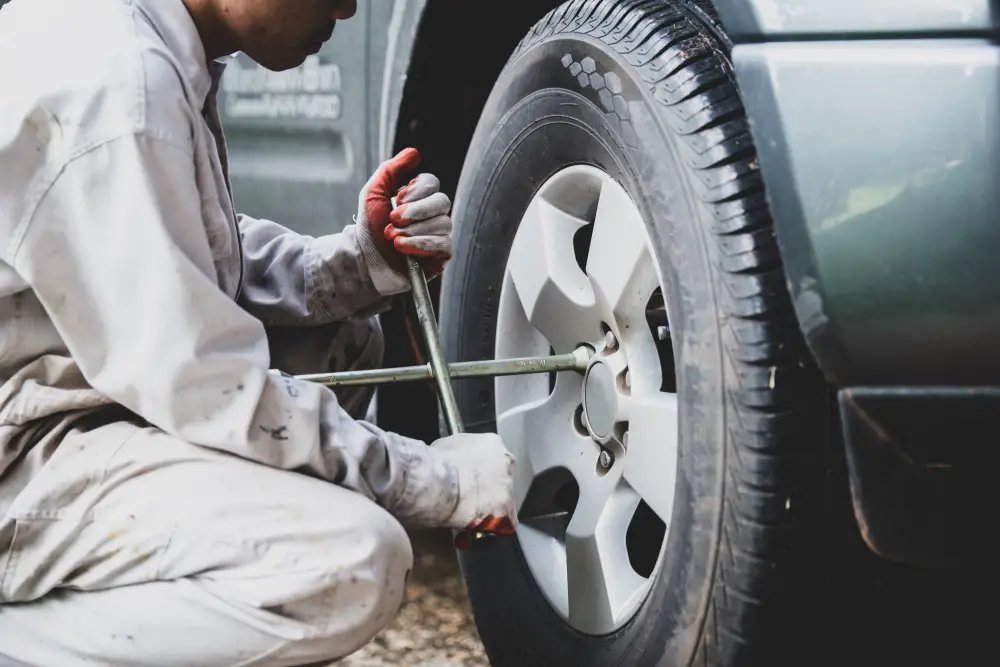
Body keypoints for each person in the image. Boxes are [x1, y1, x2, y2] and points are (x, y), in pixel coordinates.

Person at [0, 0, 517, 664]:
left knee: (343, 340)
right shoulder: (116, 82)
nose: (349, 5)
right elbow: (208, 386)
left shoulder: (135, 37)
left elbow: (173, 247)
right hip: (19, 466)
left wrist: (356, 266)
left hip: (52, 401)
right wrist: (438, 481)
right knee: (353, 563)